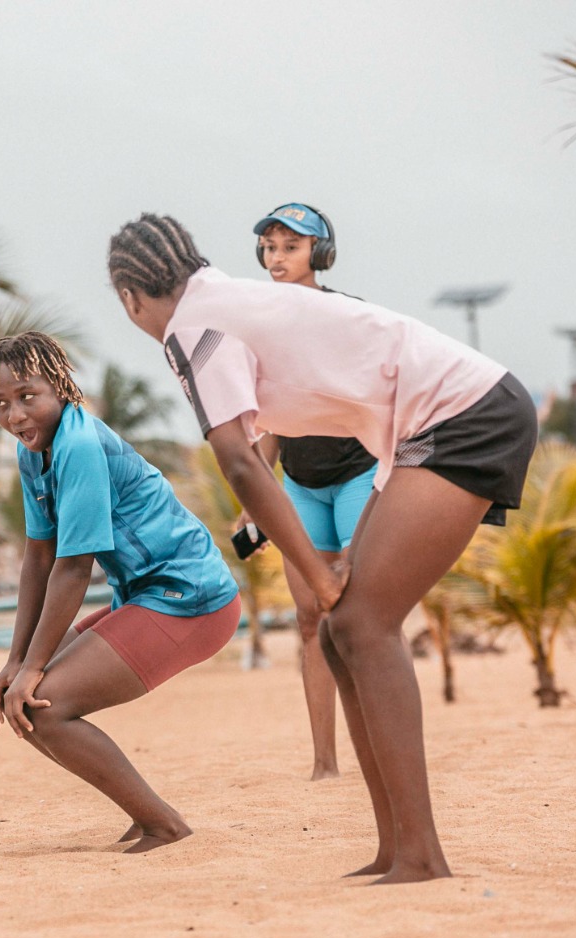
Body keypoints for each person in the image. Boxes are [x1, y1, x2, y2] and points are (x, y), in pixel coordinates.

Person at [108, 214, 537, 882]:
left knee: (361, 622)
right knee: (340, 633)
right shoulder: (225, 300)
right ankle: (395, 849)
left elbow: (240, 462)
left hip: (466, 414)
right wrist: (321, 576)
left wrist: (317, 572)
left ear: (130, 297)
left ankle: (421, 855)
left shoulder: (192, 326)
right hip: (433, 423)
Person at [0, 333, 241, 854]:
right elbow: (39, 558)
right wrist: (16, 661)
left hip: (190, 598)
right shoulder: (34, 450)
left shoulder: (78, 446)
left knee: (44, 704)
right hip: (144, 596)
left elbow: (73, 568)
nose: (15, 414)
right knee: (26, 702)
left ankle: (163, 825)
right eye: (0, 403)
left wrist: (32, 667)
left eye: (27, 396)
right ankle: (145, 815)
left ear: (60, 387)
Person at [248, 203, 378, 780]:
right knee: (309, 620)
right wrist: (253, 501)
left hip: (357, 476)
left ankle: (379, 746)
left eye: (291, 247)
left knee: (358, 617)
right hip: (299, 486)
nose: (277, 258)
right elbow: (270, 424)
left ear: (319, 254)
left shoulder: (348, 316)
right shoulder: (259, 327)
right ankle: (325, 764)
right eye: (269, 247)